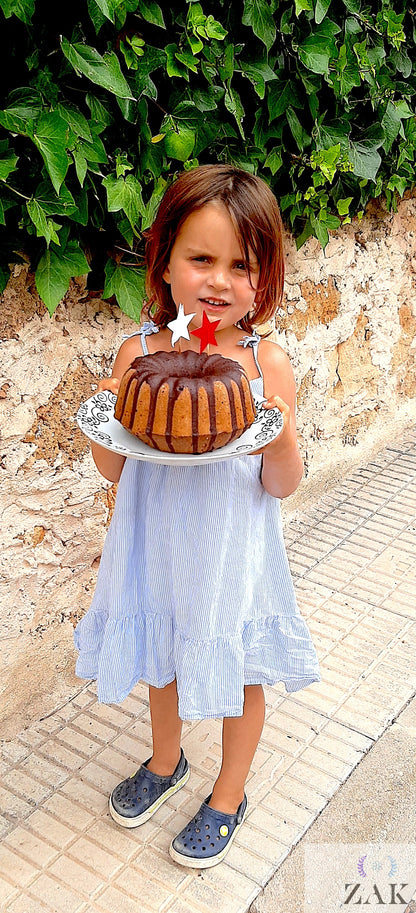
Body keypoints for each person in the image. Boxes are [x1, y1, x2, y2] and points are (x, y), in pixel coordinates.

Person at [74, 164, 320, 868]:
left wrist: (283, 431)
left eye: (241, 265)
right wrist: (103, 422)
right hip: (157, 543)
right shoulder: (141, 353)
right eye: (201, 258)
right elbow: (116, 469)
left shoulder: (261, 363)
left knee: (240, 668)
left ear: (265, 277)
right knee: (163, 654)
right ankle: (165, 759)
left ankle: (228, 793)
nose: (218, 281)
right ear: (166, 262)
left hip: (232, 551)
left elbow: (282, 483)